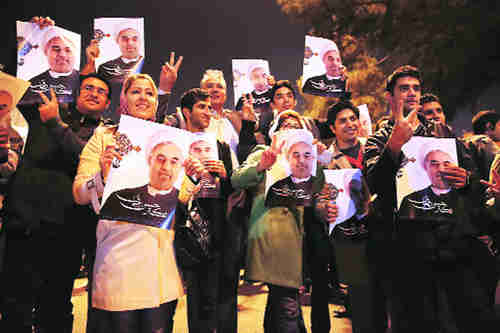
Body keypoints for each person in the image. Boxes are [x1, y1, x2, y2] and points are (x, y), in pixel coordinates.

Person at [364, 65, 499, 332]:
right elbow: (375, 182)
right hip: (405, 249)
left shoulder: (443, 133)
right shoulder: (379, 138)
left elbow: (472, 179)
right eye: (404, 88)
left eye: (416, 88)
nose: (412, 93)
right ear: (390, 97)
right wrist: (394, 144)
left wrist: (465, 179)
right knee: (415, 321)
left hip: (451, 245)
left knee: (467, 318)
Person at [0, 70, 112, 332]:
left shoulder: (104, 135)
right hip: (22, 226)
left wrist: (55, 124)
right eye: (88, 88)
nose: (94, 93)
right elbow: (13, 92)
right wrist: (34, 35)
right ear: (76, 92)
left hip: (66, 234)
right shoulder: (48, 109)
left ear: (108, 103)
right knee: (15, 307)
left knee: (55, 308)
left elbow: (83, 157)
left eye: (101, 91)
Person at [73, 73, 183, 333]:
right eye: (136, 92)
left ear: (157, 102)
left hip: (160, 258)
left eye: (149, 93)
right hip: (117, 257)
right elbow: (78, 193)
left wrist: (193, 175)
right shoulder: (104, 137)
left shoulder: (173, 141)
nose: (143, 97)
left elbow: (183, 195)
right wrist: (101, 174)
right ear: (123, 99)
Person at [232, 128, 325, 333]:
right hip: (272, 238)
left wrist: (321, 160)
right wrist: (261, 165)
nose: (292, 130)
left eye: (297, 125)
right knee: (286, 303)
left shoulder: (308, 156)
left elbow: (320, 196)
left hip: (300, 240)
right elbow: (237, 180)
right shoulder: (264, 152)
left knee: (281, 303)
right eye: (285, 125)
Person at [307, 100, 385, 333]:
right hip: (350, 238)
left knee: (383, 297)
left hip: (382, 232)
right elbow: (318, 198)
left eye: (353, 119)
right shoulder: (325, 160)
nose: (350, 124)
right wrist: (324, 210)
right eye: (343, 121)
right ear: (332, 128)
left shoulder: (374, 149)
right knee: (360, 301)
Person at [174, 88, 236, 333]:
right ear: (186, 112)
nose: (208, 112)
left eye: (210, 108)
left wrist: (224, 175)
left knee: (213, 298)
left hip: (216, 227)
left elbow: (233, 188)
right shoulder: (175, 143)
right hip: (184, 226)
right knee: (195, 299)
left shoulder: (220, 147)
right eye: (202, 107)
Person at [99, 134, 185, 228]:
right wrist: (102, 175)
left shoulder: (183, 207)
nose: (166, 167)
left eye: (174, 162)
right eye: (160, 159)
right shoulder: (119, 198)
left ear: (181, 167)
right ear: (149, 161)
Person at [21, 25, 79, 104]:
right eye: (56, 49)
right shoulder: (32, 84)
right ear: (46, 52)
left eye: (68, 50)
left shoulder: (83, 81)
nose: (62, 54)